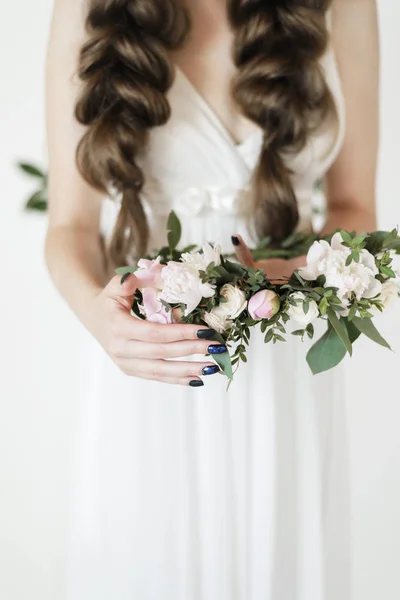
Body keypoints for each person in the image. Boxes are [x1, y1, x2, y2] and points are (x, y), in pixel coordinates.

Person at [44, 0, 379, 598]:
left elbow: (355, 207)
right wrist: (101, 317)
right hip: (153, 358)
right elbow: (68, 226)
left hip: (283, 355)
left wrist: (280, 278)